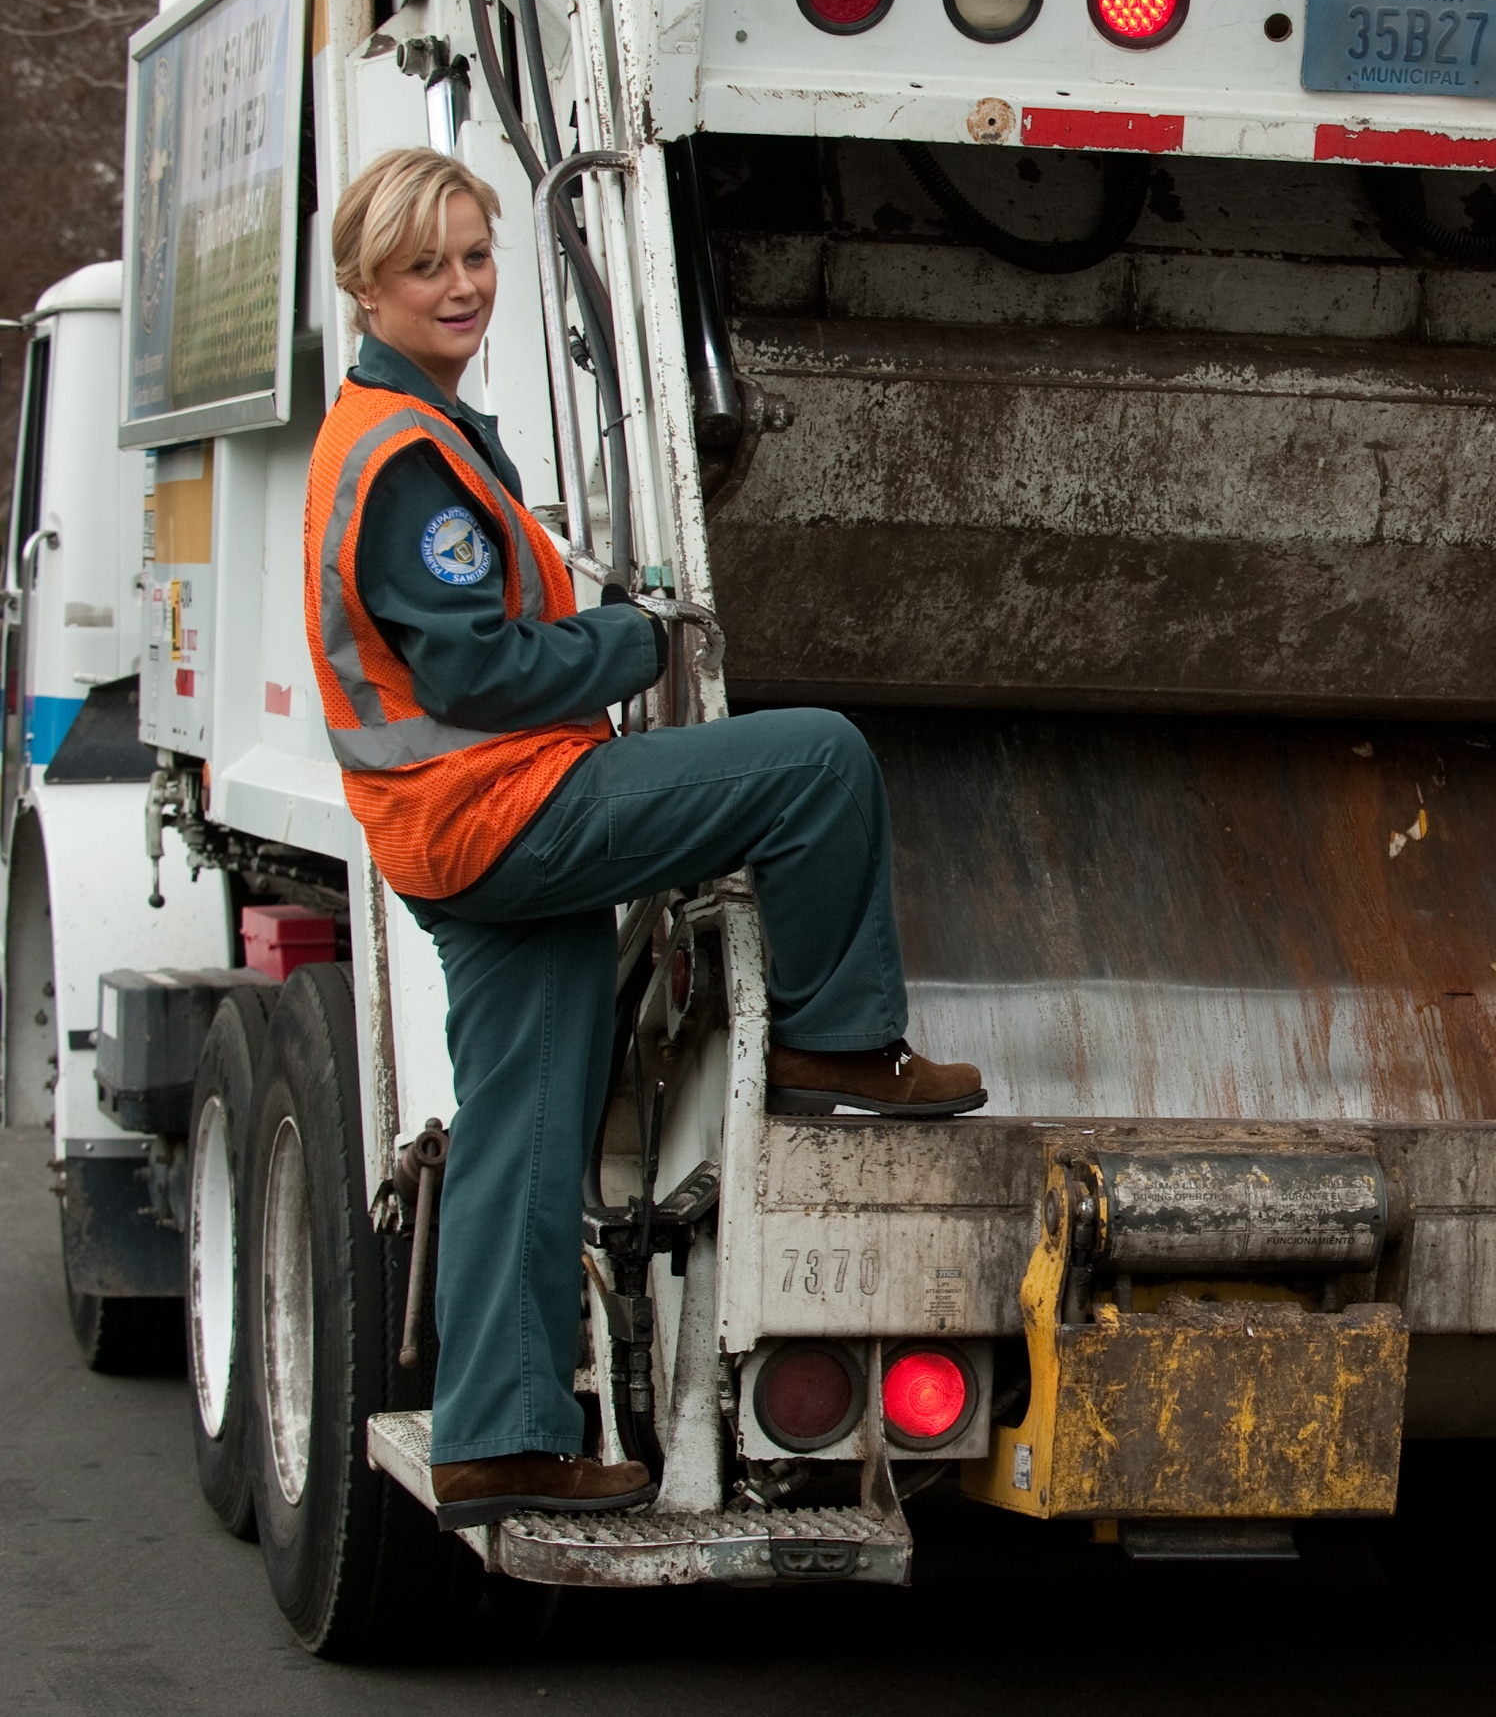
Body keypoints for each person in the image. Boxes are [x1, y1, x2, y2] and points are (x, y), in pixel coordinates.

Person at [303, 147, 987, 1530]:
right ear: (366, 283)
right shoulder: (408, 460)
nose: (461, 285)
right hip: (502, 813)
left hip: (449, 838)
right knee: (815, 760)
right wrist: (628, 638)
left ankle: (499, 1437)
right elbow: (480, 671)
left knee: (525, 1122)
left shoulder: (402, 427)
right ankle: (837, 1033)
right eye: (427, 264)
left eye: (476, 255)